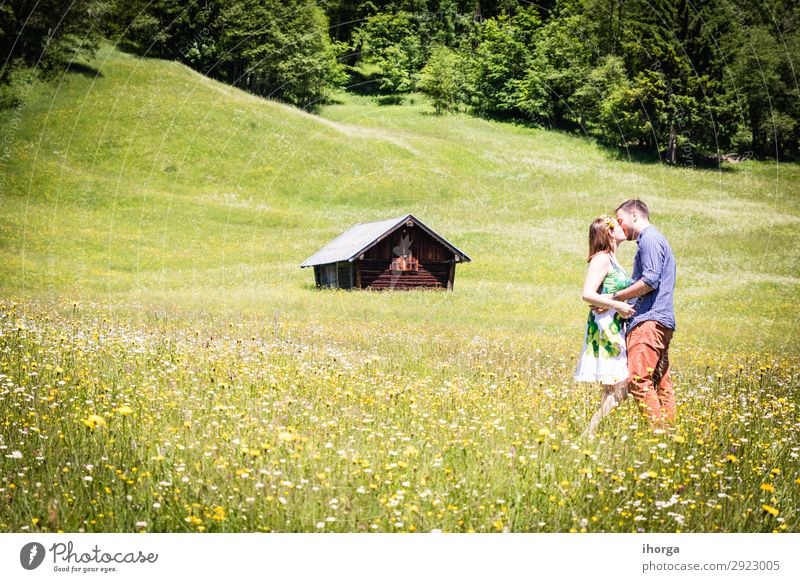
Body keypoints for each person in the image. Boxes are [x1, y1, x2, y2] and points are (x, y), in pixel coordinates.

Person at [609, 199, 677, 427]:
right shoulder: (653, 240)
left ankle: (659, 434)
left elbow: (650, 280)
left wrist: (617, 298)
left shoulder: (649, 238)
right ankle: (669, 434)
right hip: (660, 321)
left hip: (649, 321)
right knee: (659, 382)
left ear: (635, 214)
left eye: (620, 220)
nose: (619, 226)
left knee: (638, 380)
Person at [574, 216, 636, 437]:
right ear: (610, 232)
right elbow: (587, 294)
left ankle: (590, 433)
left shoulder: (612, 258)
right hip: (605, 326)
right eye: (618, 225)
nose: (623, 227)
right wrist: (616, 305)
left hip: (614, 321)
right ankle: (589, 432)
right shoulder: (601, 258)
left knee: (614, 386)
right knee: (621, 386)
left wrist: (615, 302)